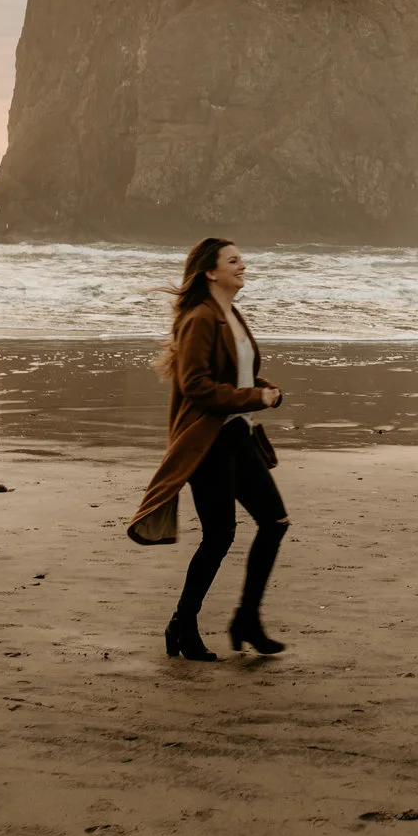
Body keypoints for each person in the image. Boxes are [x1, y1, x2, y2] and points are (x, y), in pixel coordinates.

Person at [125, 237, 291, 660]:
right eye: (233, 261)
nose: (243, 266)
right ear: (211, 272)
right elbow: (196, 387)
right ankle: (182, 623)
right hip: (209, 441)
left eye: (243, 260)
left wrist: (261, 387)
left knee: (274, 522)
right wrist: (255, 399)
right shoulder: (200, 318)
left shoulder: (230, 314)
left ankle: (246, 619)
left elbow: (233, 375)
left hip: (237, 436)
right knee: (220, 535)